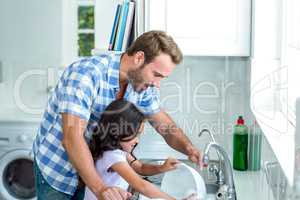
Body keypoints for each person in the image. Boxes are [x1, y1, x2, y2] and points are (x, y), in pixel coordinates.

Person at [33, 30, 202, 200]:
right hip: (59, 170)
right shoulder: (86, 74)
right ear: (139, 58)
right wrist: (100, 188)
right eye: (156, 75)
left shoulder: (143, 86)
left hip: (95, 176)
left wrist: (189, 148)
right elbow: (72, 138)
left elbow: (164, 126)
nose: (157, 84)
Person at [85, 99, 182, 200]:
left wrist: (162, 168)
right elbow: (141, 186)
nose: (137, 141)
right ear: (118, 131)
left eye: (139, 135)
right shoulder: (112, 155)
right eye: (135, 135)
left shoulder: (118, 151)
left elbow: (140, 168)